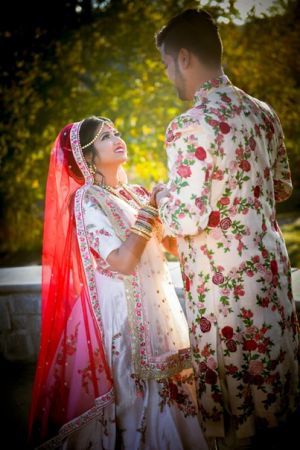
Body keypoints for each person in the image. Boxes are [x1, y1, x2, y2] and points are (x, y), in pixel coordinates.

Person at [154, 8, 299, 450]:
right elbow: (282, 187)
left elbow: (185, 219)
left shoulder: (188, 126)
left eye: (165, 65)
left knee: (238, 411)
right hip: (269, 269)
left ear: (183, 57)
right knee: (275, 383)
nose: (167, 77)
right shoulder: (263, 112)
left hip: (224, 283)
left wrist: (161, 195)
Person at [28, 116, 209, 449]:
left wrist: (174, 204)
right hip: (122, 320)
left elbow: (171, 247)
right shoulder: (87, 200)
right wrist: (149, 212)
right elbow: (123, 262)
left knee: (173, 387)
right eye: (104, 137)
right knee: (134, 398)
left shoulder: (134, 194)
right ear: (88, 157)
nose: (116, 138)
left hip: (159, 313)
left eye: (115, 132)